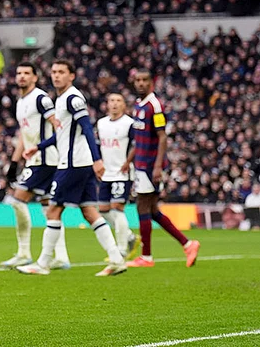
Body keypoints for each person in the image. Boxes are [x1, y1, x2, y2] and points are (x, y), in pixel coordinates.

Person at [17, 60, 126, 277]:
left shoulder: (72, 98)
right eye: (54, 72)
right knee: (89, 211)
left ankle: (43, 263)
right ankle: (116, 259)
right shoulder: (61, 99)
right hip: (80, 163)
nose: (56, 76)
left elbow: (86, 127)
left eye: (61, 72)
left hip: (73, 164)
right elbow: (63, 134)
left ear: (72, 76)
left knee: (54, 209)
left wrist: (97, 159)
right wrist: (38, 147)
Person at [126, 71, 200, 268]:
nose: (140, 83)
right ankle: (188, 244)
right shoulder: (138, 105)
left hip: (150, 165)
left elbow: (163, 137)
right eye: (138, 80)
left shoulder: (155, 106)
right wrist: (129, 161)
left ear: (151, 83)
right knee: (151, 210)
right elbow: (139, 138)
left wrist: (157, 166)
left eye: (144, 80)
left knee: (142, 207)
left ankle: (147, 257)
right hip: (140, 163)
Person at [1, 62, 69, 270]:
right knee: (50, 208)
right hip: (35, 159)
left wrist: (51, 147)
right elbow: (24, 133)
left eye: (26, 73)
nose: (21, 76)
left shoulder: (40, 98)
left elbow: (58, 125)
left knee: (17, 199)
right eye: (19, 73)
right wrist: (14, 161)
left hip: (45, 159)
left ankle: (23, 253)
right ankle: (61, 257)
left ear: (35, 78)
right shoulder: (21, 102)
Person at [96, 93, 139, 262]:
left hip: (123, 172)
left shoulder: (129, 124)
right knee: (104, 211)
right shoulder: (101, 123)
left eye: (118, 101)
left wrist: (128, 161)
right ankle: (129, 237)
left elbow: (137, 144)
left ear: (124, 105)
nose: (114, 104)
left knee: (116, 208)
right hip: (106, 172)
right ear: (107, 104)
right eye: (111, 100)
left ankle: (121, 250)